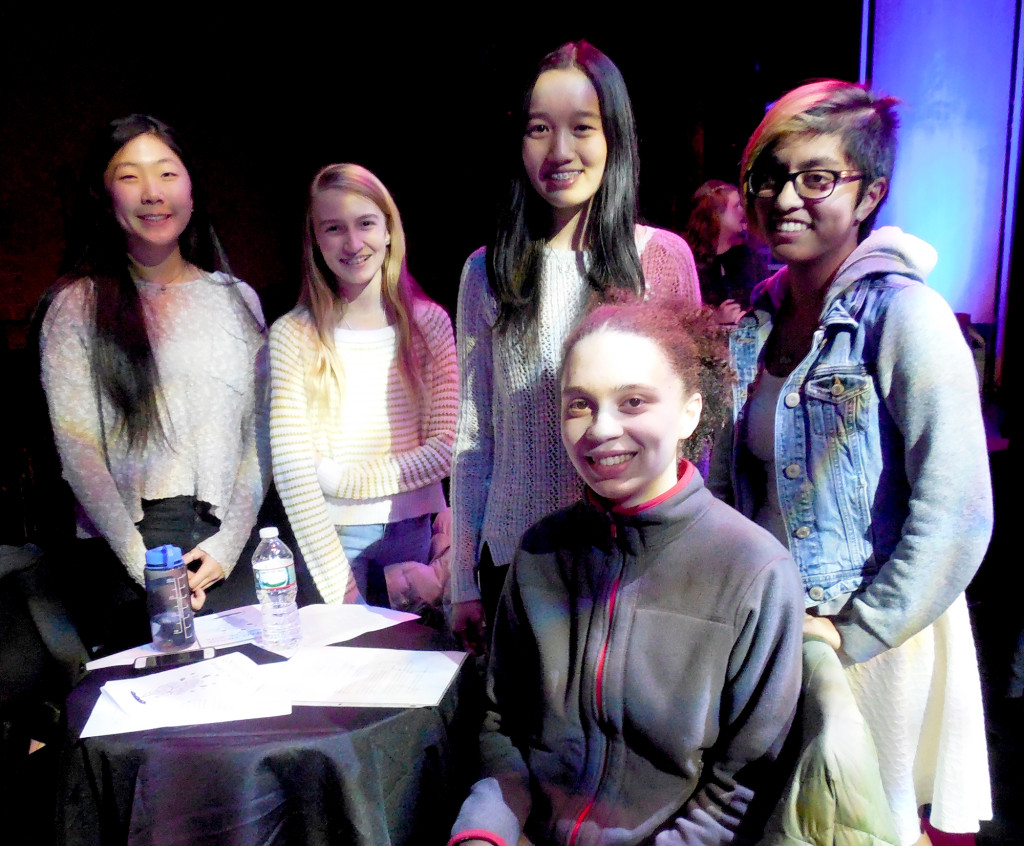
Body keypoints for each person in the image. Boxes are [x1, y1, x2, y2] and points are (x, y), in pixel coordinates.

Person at [711, 80, 993, 845]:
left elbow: (958, 515)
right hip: (775, 626)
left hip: (867, 635)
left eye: (817, 177)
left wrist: (857, 630)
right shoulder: (756, 317)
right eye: (767, 177)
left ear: (869, 193)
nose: (785, 198)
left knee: (856, 829)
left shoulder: (907, 316)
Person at [448, 303, 803, 846]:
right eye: (579, 406)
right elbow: (503, 725)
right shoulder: (541, 552)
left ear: (689, 412)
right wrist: (486, 828)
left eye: (632, 401)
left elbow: (742, 785)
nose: (601, 429)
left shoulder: (754, 571)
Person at [450, 41, 701, 650]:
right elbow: (474, 438)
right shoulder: (487, 272)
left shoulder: (661, 260)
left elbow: (701, 432)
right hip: (517, 563)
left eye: (581, 128)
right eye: (540, 129)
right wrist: (462, 580)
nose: (560, 151)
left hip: (636, 563)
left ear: (613, 135)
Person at [38, 115, 269, 654]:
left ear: (191, 186)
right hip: (128, 553)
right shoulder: (77, 305)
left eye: (166, 173)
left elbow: (261, 434)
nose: (152, 193)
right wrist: (149, 569)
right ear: (103, 195)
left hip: (224, 544)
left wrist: (230, 545)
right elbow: (78, 451)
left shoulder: (238, 299)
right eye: (129, 177)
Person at [268, 164, 457, 607]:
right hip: (331, 538)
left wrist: (337, 477)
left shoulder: (429, 324)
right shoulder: (293, 334)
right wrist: (343, 592)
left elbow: (447, 447)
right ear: (315, 239)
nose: (353, 244)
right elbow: (295, 475)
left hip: (416, 530)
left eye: (366, 223)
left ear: (389, 230)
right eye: (334, 228)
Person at [683, 180, 768, 324]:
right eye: (737, 206)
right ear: (716, 214)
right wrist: (715, 318)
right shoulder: (689, 260)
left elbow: (767, 307)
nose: (744, 210)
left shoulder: (751, 258)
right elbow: (681, 315)